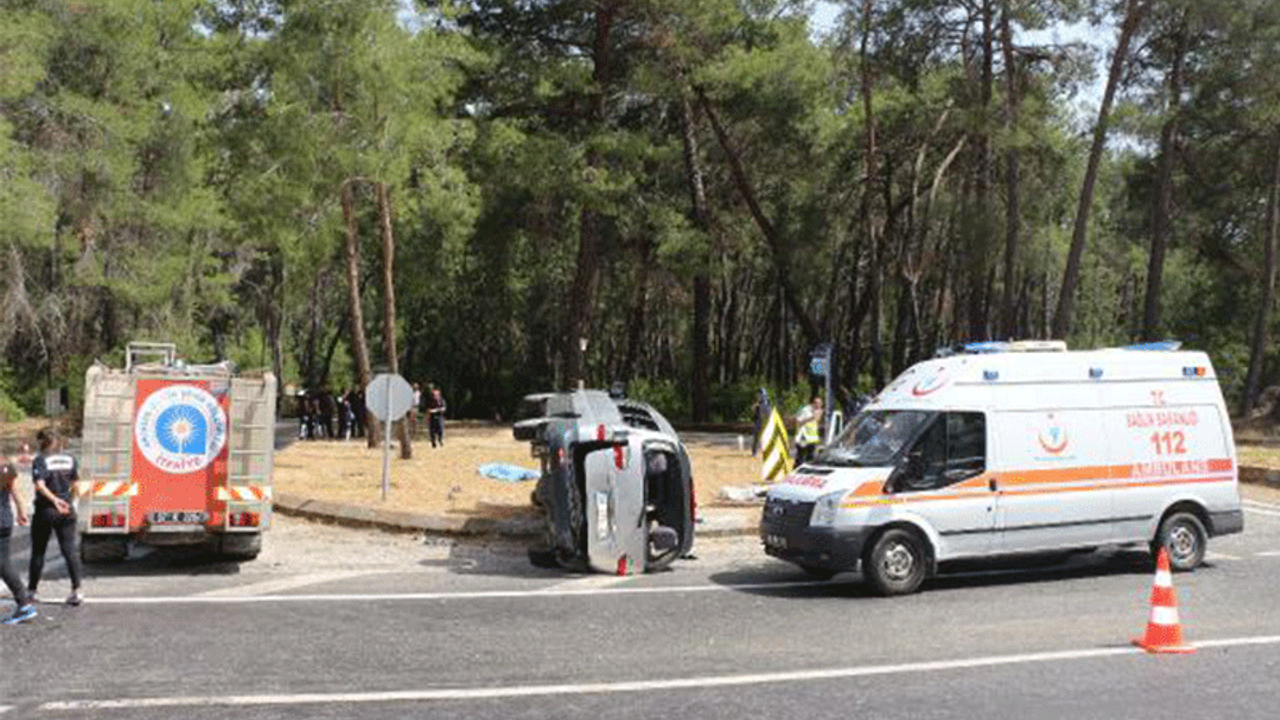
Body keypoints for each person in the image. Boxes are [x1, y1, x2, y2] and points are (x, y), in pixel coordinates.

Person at [28, 430, 84, 606]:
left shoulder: (41, 460)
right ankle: (77, 590)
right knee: (69, 550)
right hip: (67, 509)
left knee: (39, 551)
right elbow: (76, 483)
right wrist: (71, 502)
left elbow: (39, 484)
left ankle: (32, 590)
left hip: (46, 510)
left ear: (43, 443)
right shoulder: (70, 459)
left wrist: (54, 500)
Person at [2, 460, 37, 625]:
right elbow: (15, 491)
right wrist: (22, 511)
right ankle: (24, 604)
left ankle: (24, 604)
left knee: (3, 564)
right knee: (3, 562)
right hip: (5, 519)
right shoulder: (7, 467)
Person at [794, 395, 824, 465]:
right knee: (800, 458)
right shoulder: (805, 410)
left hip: (812, 438)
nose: (818, 405)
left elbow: (816, 424)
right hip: (803, 437)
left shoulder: (819, 412)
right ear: (812, 403)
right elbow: (798, 420)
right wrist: (811, 418)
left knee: (811, 458)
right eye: (816, 403)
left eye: (820, 403)